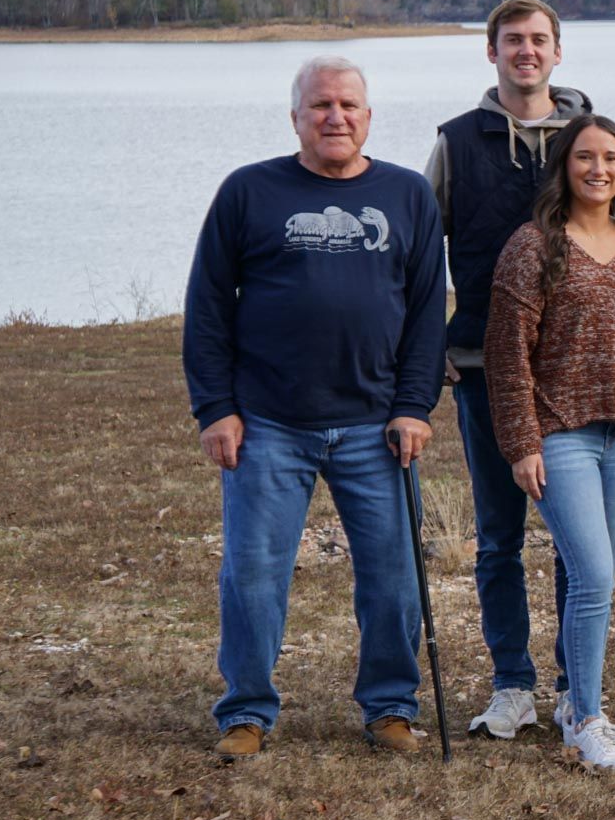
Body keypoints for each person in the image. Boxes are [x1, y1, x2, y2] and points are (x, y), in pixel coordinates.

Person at [185, 56, 445, 758]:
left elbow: (426, 315)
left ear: (368, 116)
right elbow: (208, 306)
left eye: (349, 106)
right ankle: (245, 711)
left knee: (393, 578)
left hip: (376, 426)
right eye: (321, 106)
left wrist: (415, 406)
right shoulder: (248, 191)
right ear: (296, 116)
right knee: (253, 574)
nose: (336, 117)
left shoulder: (408, 194)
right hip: (267, 422)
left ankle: (390, 707)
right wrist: (216, 409)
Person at [426, 0, 596, 741]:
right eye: (511, 41)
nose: (525, 51)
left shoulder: (592, 138)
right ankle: (512, 685)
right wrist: (426, 343)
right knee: (498, 534)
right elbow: (416, 249)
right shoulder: (457, 142)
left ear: (558, 51)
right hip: (481, 363)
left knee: (571, 536)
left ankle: (572, 683)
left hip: (571, 373)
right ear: (490, 52)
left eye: (538, 40)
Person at [483, 114, 615, 774]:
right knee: (592, 576)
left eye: (612, 158)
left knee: (600, 580)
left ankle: (577, 707)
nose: (599, 168)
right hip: (559, 433)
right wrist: (521, 443)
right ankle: (588, 718)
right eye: (586, 157)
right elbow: (507, 354)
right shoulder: (534, 246)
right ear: (565, 165)